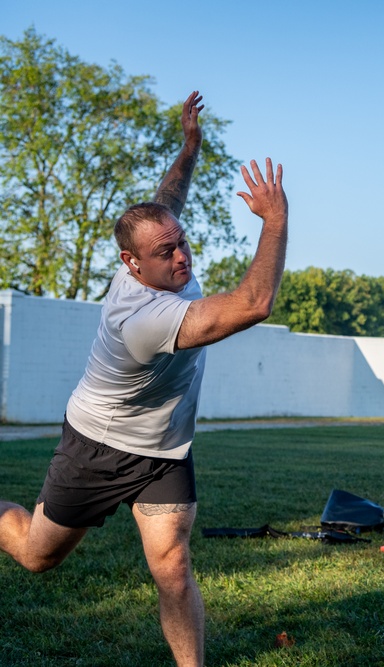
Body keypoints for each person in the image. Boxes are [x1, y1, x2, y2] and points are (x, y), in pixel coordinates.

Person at [0, 90, 288, 667]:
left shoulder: (154, 250)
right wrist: (276, 219)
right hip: (97, 447)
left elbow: (167, 198)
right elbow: (255, 303)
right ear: (133, 265)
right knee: (37, 556)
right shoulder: (142, 319)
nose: (182, 257)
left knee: (173, 568)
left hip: (162, 451)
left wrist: (189, 148)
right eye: (166, 251)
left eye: (182, 241)